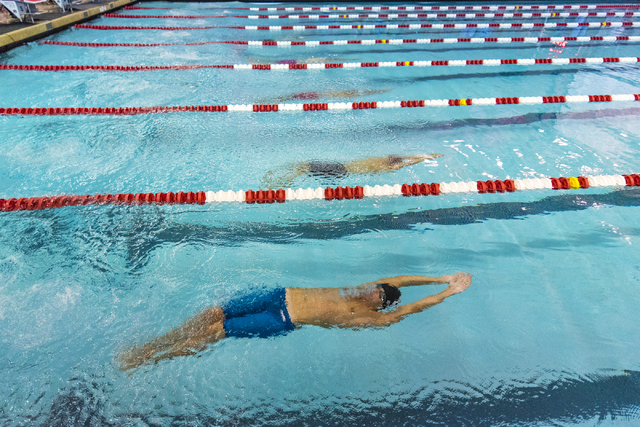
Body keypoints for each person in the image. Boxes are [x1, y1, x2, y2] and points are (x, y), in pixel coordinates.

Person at [118, 273, 472, 370]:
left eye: (378, 295)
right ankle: (154, 343)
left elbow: (407, 309)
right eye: (376, 287)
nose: (371, 291)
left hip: (281, 319)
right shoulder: (359, 290)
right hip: (278, 294)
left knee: (217, 331)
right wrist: (440, 278)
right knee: (212, 314)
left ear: (379, 307)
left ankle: (147, 359)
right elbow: (402, 278)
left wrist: (446, 295)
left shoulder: (370, 319)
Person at [262, 154, 443, 188]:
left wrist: (424, 157)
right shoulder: (388, 163)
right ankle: (277, 181)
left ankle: (277, 183)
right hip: (341, 169)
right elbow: (405, 160)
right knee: (303, 167)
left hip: (341, 169)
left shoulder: (387, 161)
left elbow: (405, 162)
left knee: (303, 167)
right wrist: (425, 156)